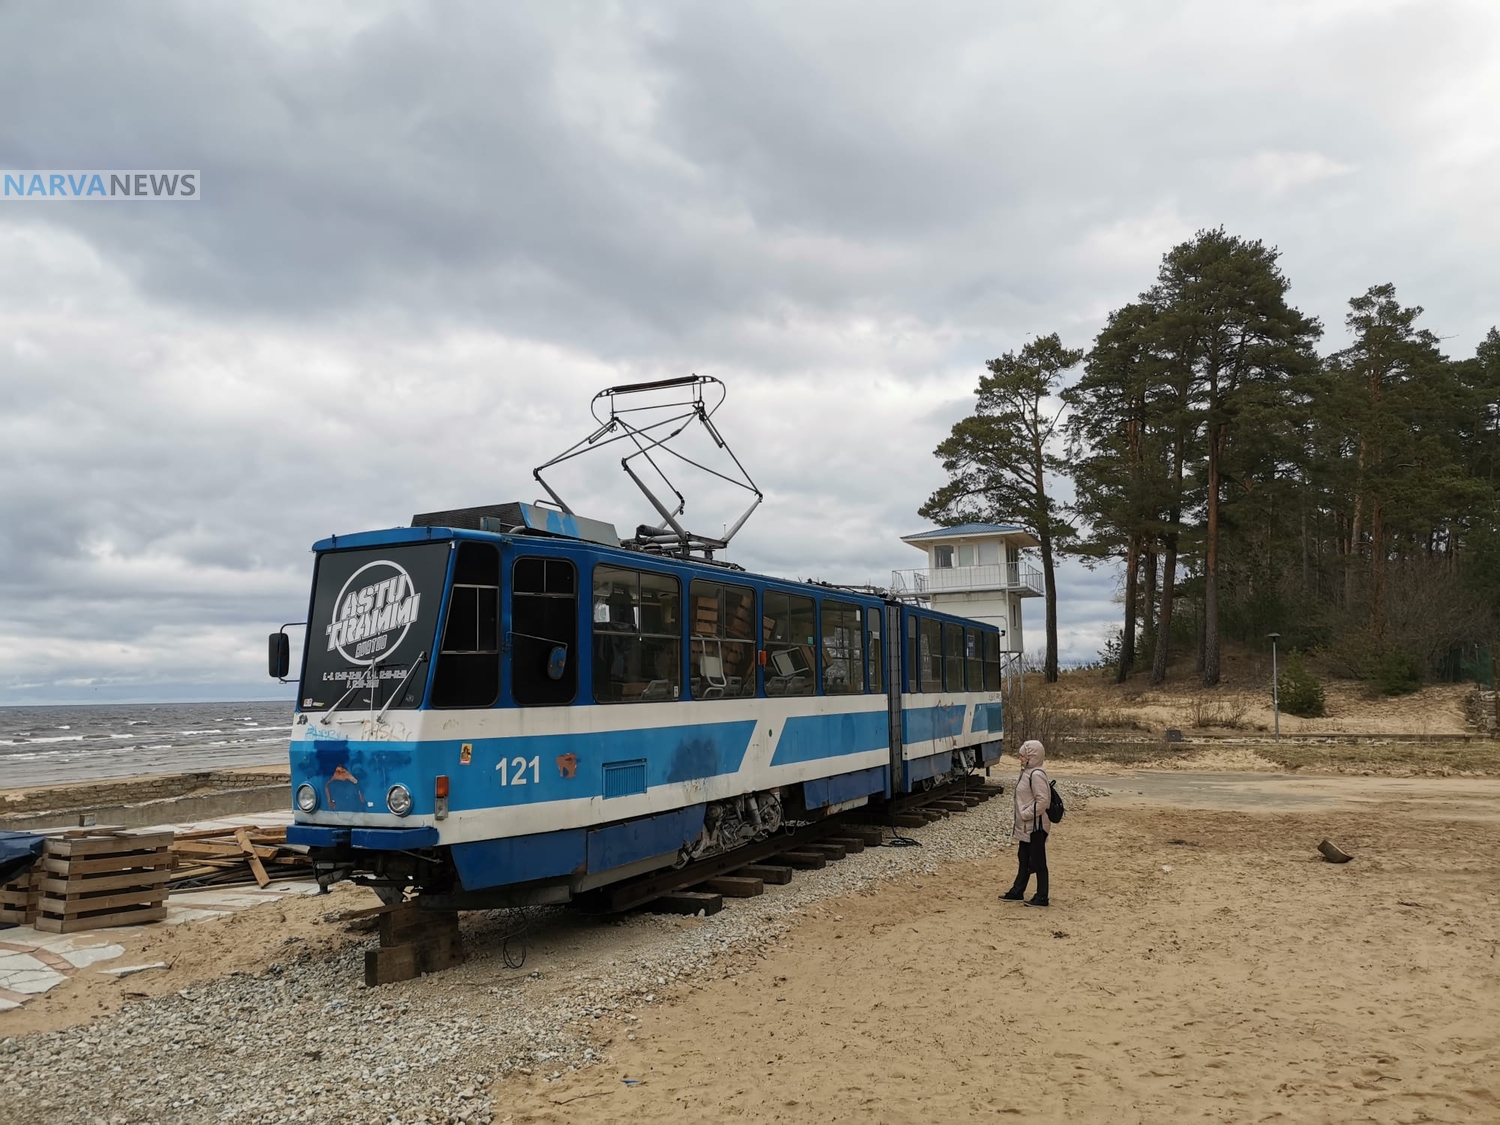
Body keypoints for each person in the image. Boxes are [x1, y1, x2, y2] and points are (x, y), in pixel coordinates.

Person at [1001, 739, 1051, 907]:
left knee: (1038, 861)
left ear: (1032, 756)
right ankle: (1017, 891)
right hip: (1027, 826)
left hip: (1035, 826)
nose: (1020, 759)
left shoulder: (1036, 774)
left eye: (1023, 756)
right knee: (1024, 858)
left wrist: (1025, 814)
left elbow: (1043, 801)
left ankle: (1042, 896)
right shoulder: (1028, 772)